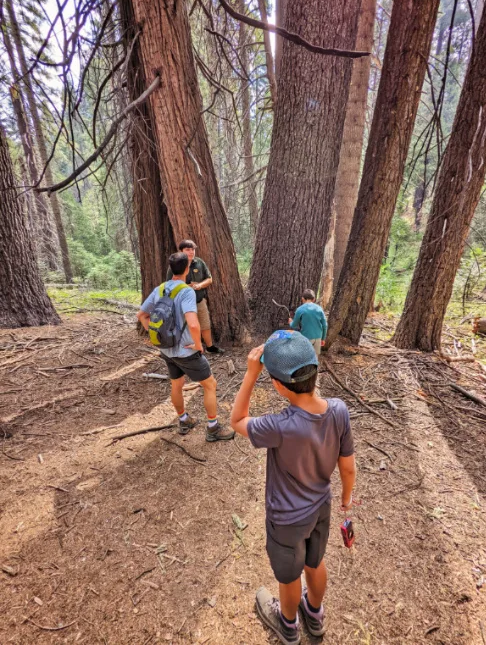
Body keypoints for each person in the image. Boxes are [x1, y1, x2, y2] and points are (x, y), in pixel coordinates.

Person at [230, 330, 356, 644]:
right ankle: (314, 615)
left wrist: (250, 374)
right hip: (321, 508)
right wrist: (346, 498)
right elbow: (348, 465)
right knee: (315, 563)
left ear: (277, 384)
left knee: (289, 578)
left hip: (285, 520)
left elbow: (237, 420)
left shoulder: (279, 426)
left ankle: (287, 625)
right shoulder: (338, 410)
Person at [137, 252, 234, 442]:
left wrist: (156, 336)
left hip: (166, 349)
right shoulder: (186, 291)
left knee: (177, 384)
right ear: (187, 269)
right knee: (210, 385)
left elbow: (141, 315)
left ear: (171, 269)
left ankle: (184, 420)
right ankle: (213, 428)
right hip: (185, 350)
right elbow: (194, 323)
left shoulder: (160, 289)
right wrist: (198, 345)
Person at [167, 240, 224, 354]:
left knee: (205, 324)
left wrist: (199, 285)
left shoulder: (199, 263)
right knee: (187, 326)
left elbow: (209, 279)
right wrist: (187, 287)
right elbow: (170, 285)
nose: (191, 252)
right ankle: (192, 348)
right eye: (187, 250)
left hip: (199, 300)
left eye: (192, 249)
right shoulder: (176, 265)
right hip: (183, 304)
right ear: (181, 251)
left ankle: (209, 347)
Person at [289, 289, 327, 356]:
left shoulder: (300, 309)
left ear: (302, 299)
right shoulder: (319, 309)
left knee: (304, 357)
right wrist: (323, 338)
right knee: (315, 358)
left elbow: (294, 325)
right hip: (318, 337)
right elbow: (324, 325)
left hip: (306, 337)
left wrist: (290, 322)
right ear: (314, 299)